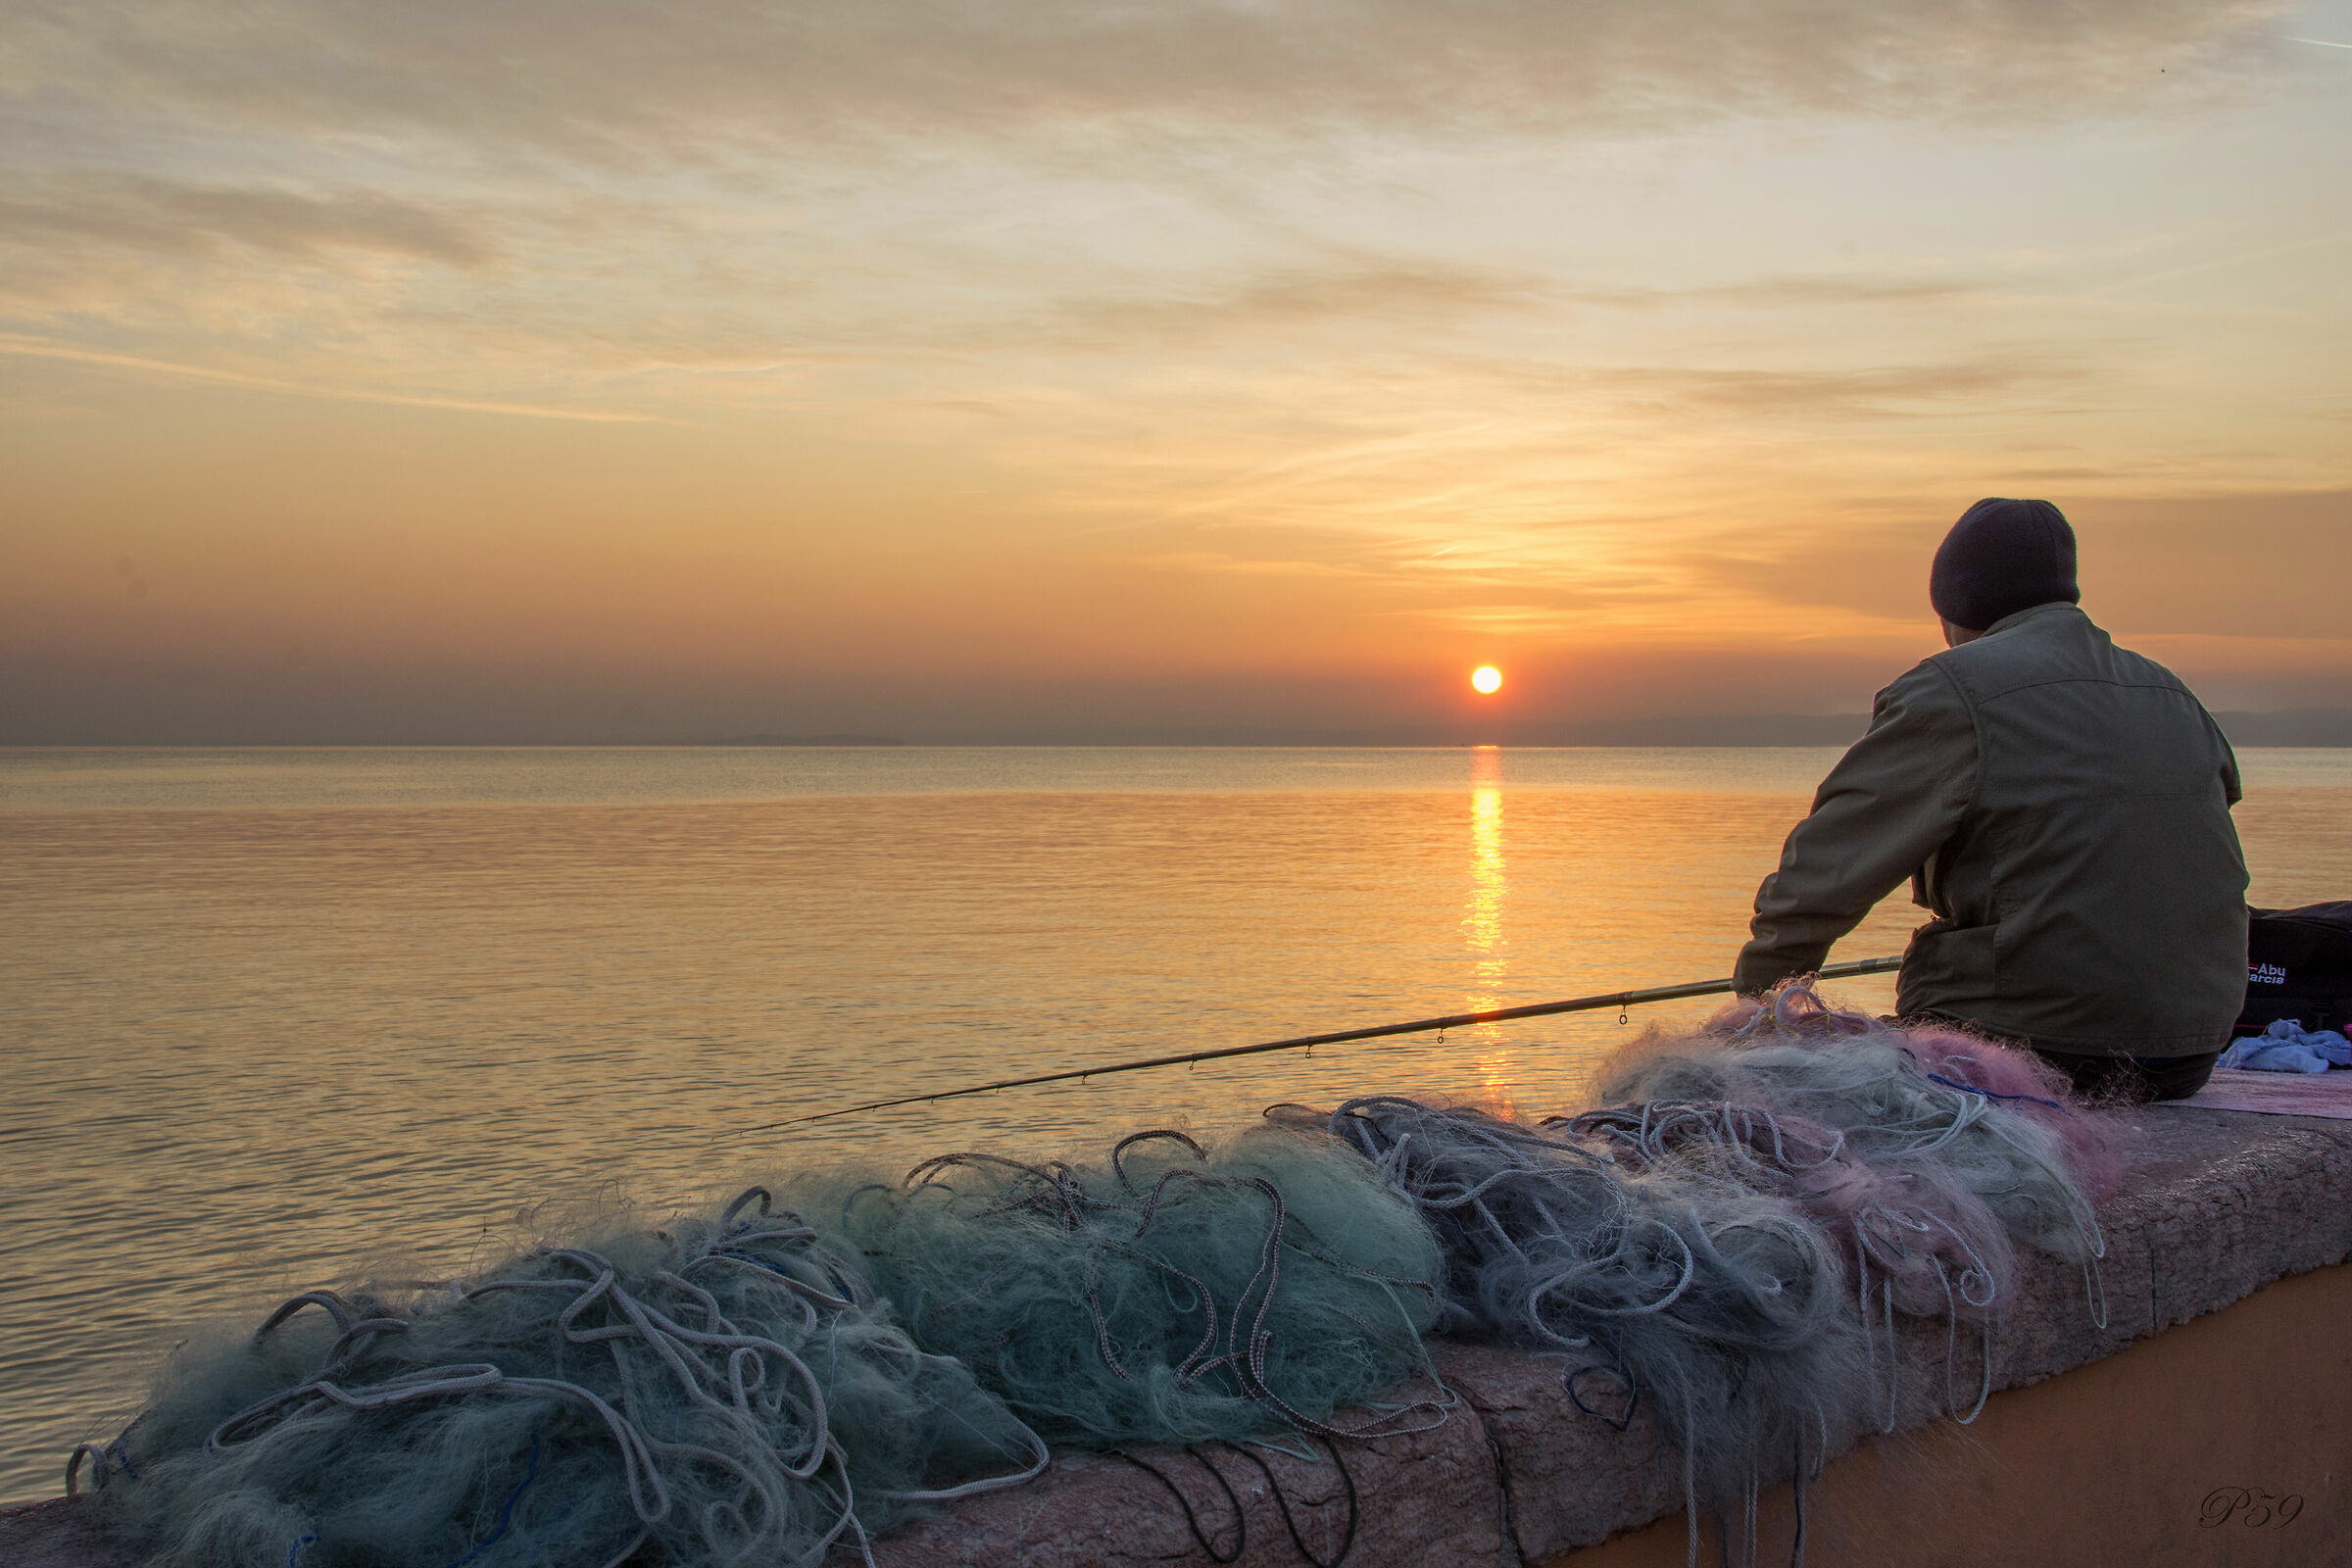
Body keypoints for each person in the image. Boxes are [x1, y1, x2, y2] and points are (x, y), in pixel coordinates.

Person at [1734, 497, 2248, 1102]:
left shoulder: (1951, 691)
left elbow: (1821, 876)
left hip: (2031, 1049)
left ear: (1955, 605)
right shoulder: (2172, 692)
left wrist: (1754, 1014)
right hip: (2188, 1054)